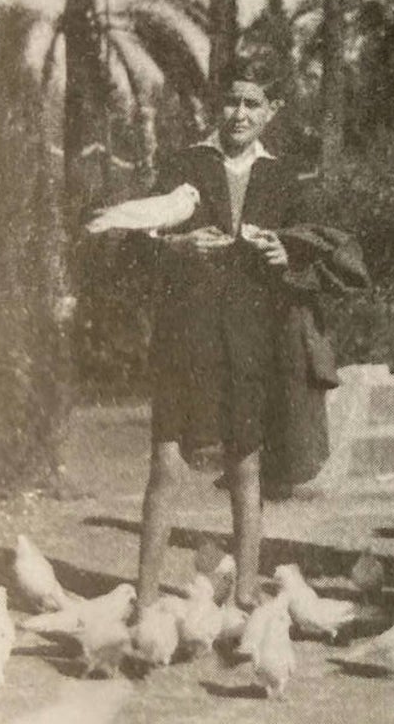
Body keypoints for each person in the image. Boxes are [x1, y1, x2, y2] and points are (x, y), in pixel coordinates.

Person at [136, 58, 364, 612]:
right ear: (220, 106)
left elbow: (319, 251)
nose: (239, 113)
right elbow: (133, 244)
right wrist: (176, 247)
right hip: (184, 338)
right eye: (232, 101)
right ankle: (143, 597)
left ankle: (243, 592)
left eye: (252, 104)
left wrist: (286, 253)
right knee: (166, 465)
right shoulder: (184, 163)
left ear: (271, 113)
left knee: (246, 465)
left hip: (250, 342)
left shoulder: (284, 178)